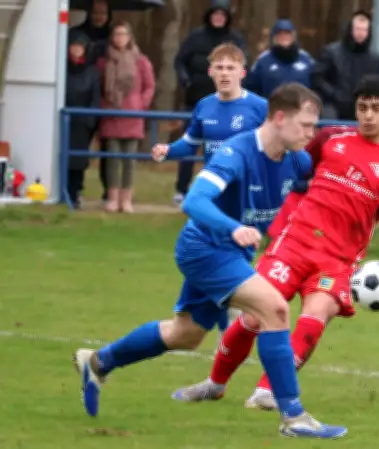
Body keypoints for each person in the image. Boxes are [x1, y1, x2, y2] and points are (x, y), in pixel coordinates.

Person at [72, 83, 346, 439]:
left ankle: (97, 362)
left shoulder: (297, 159)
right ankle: (294, 418)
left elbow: (326, 185)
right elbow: (194, 202)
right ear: (279, 118)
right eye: (306, 125)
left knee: (184, 335)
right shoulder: (237, 151)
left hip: (231, 253)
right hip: (204, 248)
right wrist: (233, 228)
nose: (312, 134)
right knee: (274, 309)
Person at [170, 75, 379, 410]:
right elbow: (290, 167)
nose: (368, 116)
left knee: (316, 315)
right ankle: (215, 384)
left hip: (338, 259)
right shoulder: (330, 138)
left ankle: (267, 391)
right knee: (256, 317)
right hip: (294, 243)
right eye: (362, 107)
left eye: (376, 108)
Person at [153, 42, 268, 332]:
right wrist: (168, 149)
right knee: (210, 258)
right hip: (211, 203)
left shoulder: (258, 107)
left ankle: (219, 325)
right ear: (210, 72)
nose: (225, 73)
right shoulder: (204, 106)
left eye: (231, 68)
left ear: (243, 72)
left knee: (230, 261)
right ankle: (206, 322)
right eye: (219, 68)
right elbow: (191, 144)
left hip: (244, 202)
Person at [173, 0, 247, 205]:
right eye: (215, 14)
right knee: (190, 145)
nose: (218, 18)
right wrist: (185, 80)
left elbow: (243, 65)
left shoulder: (235, 40)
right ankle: (181, 189)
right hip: (196, 100)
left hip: (227, 104)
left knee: (225, 148)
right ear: (209, 16)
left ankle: (223, 189)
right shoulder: (196, 37)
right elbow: (179, 61)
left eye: (222, 15)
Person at [95, 21, 155, 213]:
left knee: (129, 159)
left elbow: (149, 86)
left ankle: (126, 199)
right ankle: (112, 198)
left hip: (133, 116)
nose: (120, 38)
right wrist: (105, 105)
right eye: (116, 34)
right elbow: (98, 87)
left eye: (123, 34)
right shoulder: (104, 62)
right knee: (112, 159)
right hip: (111, 115)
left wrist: (141, 104)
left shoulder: (141, 61)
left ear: (130, 37)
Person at [312, 10, 379, 120]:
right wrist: (333, 94)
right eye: (358, 29)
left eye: (365, 30)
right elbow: (317, 77)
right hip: (333, 106)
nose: (361, 33)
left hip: (362, 108)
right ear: (350, 29)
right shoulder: (331, 52)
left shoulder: (375, 59)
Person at [65, 30, 101, 209]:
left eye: (80, 46)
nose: (77, 50)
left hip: (82, 123)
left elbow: (95, 98)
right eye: (74, 46)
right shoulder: (61, 69)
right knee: (62, 158)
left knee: (78, 161)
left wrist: (90, 121)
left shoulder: (92, 72)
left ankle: (75, 192)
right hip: (64, 122)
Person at [245, 19, 314, 98]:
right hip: (271, 107)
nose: (284, 37)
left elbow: (316, 83)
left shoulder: (305, 58)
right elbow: (251, 86)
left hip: (301, 107)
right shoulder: (263, 60)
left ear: (294, 37)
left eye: (287, 34)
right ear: (274, 37)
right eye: (280, 34)